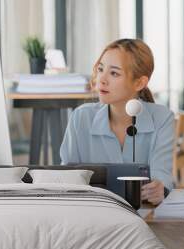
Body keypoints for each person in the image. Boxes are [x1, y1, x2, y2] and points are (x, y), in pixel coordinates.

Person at [60, 38, 174, 206]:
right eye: (100, 69)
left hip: (142, 214)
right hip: (90, 212)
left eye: (114, 73)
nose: (102, 79)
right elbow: (65, 178)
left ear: (139, 82)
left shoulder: (162, 118)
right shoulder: (80, 117)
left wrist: (159, 189)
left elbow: (161, 175)